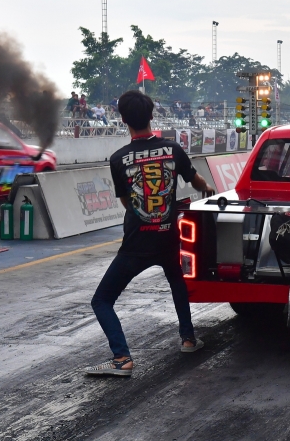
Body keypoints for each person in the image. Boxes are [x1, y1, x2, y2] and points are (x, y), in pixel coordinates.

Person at [84, 90, 216, 377]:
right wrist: (207, 191)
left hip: (136, 242)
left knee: (102, 300)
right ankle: (188, 339)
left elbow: (126, 203)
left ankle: (122, 358)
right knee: (177, 283)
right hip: (168, 236)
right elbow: (198, 182)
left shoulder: (118, 158)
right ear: (152, 115)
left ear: (123, 120)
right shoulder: (173, 149)